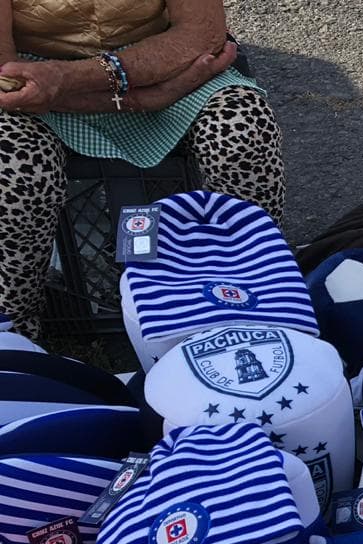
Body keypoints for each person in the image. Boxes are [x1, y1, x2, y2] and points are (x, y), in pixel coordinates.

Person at [0, 0, 285, 338]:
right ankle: (13, 326)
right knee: (14, 168)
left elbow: (201, 34)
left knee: (243, 133)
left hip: (164, 61)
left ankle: (254, 297)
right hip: (35, 80)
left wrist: (126, 85)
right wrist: (142, 97)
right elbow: (5, 75)